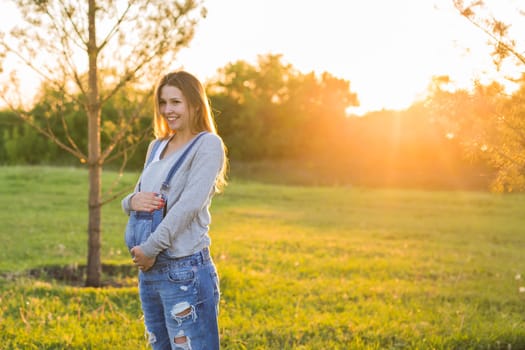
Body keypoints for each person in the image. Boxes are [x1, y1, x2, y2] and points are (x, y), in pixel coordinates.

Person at [121, 71, 227, 350]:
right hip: (150, 271)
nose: (168, 110)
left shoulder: (207, 145)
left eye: (176, 102)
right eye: (163, 102)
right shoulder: (157, 146)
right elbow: (137, 195)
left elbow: (189, 206)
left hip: (184, 272)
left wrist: (151, 248)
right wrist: (130, 202)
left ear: (194, 104)